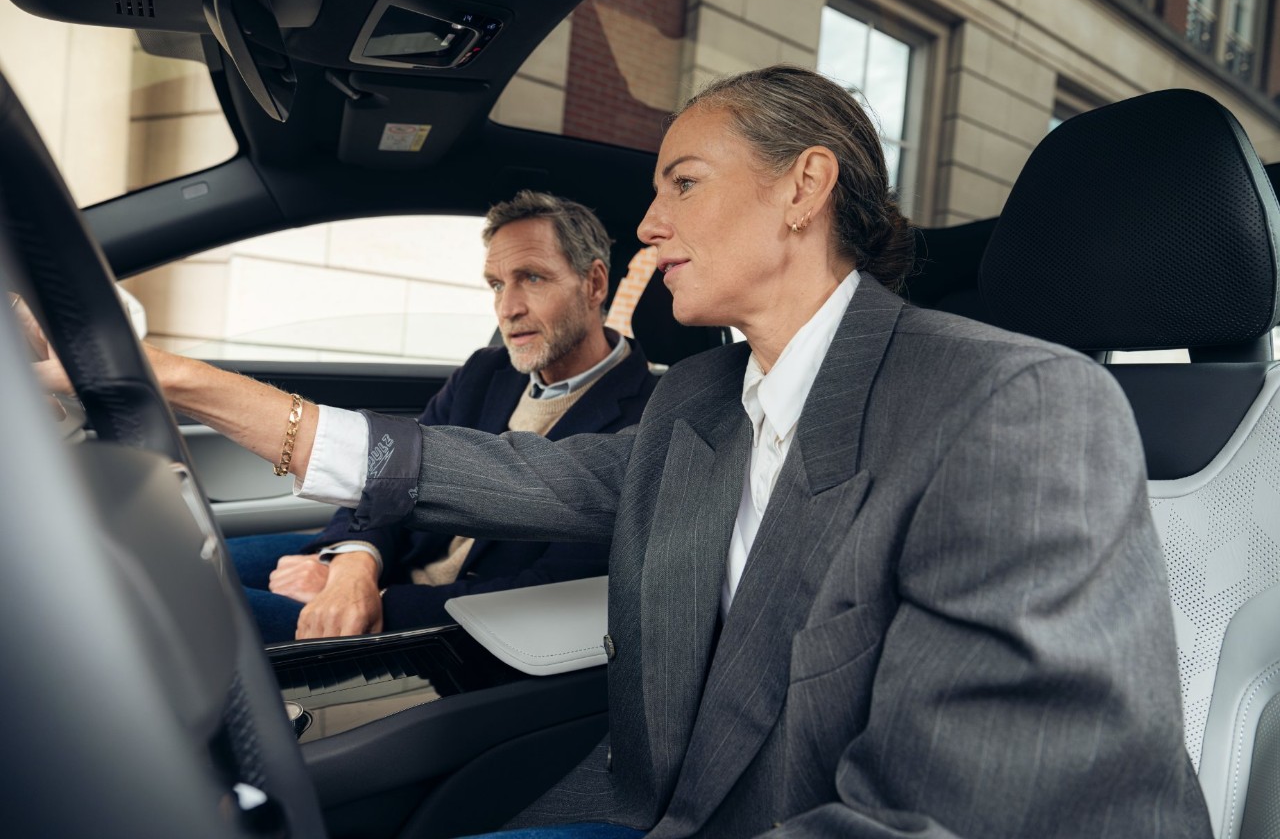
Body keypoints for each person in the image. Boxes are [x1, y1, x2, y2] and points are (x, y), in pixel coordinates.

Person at [36, 65, 1209, 838]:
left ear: (804, 187)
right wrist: (174, 381)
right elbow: (496, 473)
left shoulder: (1014, 407)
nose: (647, 224)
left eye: (681, 184)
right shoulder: (702, 402)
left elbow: (955, 814)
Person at [227, 190, 658, 642]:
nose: (508, 308)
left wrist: (377, 599)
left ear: (594, 284)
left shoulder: (648, 417)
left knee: (188, 613)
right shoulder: (484, 372)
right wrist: (354, 565)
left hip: (448, 630)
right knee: (191, 566)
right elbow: (388, 479)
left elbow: (557, 590)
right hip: (386, 562)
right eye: (496, 284)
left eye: (531, 278)